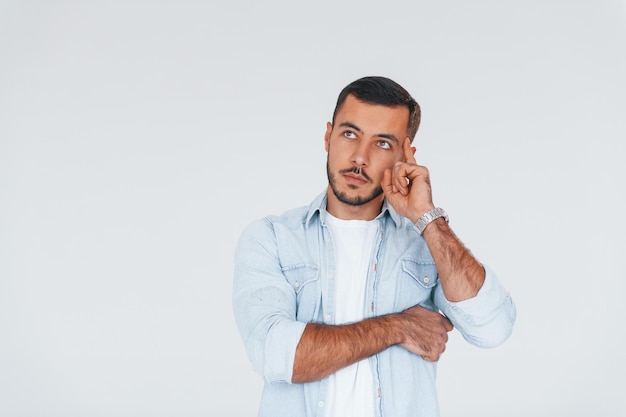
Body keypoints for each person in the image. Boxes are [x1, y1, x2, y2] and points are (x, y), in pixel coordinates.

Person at [233, 76, 516, 417]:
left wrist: (427, 218)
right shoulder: (272, 239)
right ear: (328, 136)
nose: (360, 157)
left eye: (382, 143)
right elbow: (278, 356)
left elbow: (492, 328)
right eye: (349, 134)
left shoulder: (426, 244)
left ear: (404, 155)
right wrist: (399, 327)